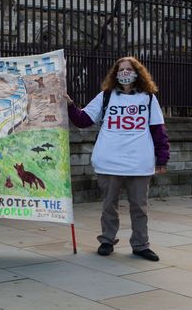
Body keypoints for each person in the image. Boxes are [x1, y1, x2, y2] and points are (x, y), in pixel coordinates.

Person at [65, 56, 169, 261]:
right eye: (120, 70)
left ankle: (140, 244)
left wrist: (162, 158)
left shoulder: (148, 98)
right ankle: (106, 240)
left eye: (128, 69)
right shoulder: (106, 96)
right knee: (108, 204)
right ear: (115, 74)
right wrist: (70, 105)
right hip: (109, 159)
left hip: (139, 161)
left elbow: (158, 130)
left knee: (139, 206)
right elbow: (83, 120)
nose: (124, 73)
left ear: (138, 72)